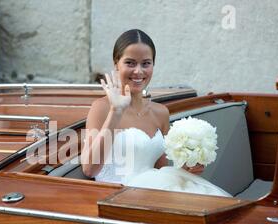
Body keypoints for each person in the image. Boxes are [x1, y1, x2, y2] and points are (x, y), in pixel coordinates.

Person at [81, 29, 231, 197]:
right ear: (116, 64)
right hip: (117, 197)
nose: (138, 71)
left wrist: (186, 169)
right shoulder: (101, 108)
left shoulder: (161, 113)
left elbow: (161, 170)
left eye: (146, 63)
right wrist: (116, 112)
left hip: (154, 193)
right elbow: (89, 169)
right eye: (130, 63)